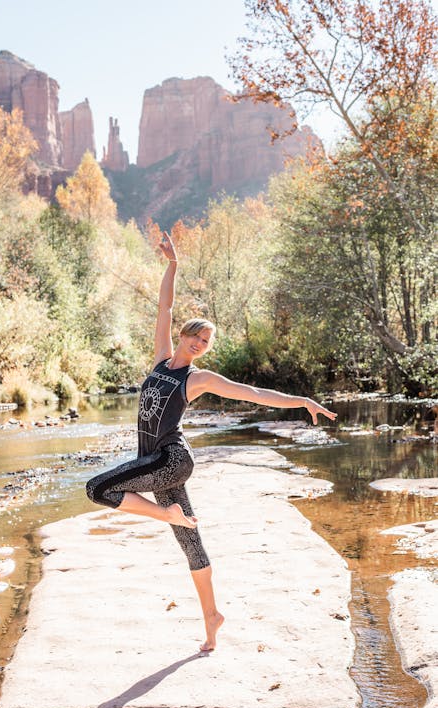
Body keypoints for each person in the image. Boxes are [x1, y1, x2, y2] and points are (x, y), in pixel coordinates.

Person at [86, 232, 336, 651]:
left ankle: (168, 516)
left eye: (205, 343)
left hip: (172, 459)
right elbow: (164, 307)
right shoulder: (161, 359)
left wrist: (302, 401)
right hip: (156, 463)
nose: (198, 344)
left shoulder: (197, 379)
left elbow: (253, 393)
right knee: (192, 546)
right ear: (183, 335)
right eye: (194, 337)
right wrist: (172, 264)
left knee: (98, 488)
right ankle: (212, 618)